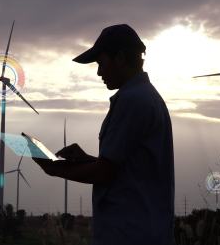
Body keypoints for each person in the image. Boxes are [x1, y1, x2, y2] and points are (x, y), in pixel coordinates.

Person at [33, 24, 175, 245]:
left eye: (101, 63)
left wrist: (54, 169)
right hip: (145, 230)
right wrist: (87, 160)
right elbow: (125, 170)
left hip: (131, 233)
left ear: (119, 58)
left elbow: (104, 174)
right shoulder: (147, 96)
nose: (99, 72)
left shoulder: (132, 100)